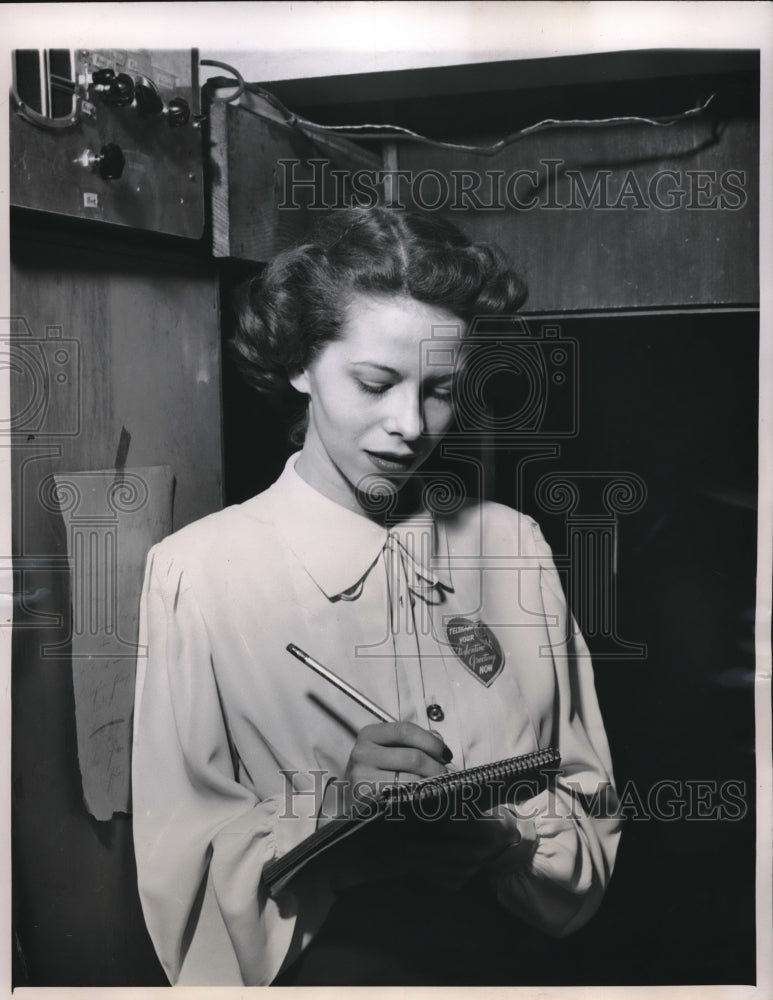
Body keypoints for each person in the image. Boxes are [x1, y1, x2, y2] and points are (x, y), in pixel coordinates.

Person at [131, 207, 620, 986]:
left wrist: (504, 835)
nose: (408, 426)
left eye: (437, 390)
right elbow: (178, 861)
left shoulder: (511, 545)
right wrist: (339, 819)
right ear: (300, 363)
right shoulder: (197, 571)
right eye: (375, 382)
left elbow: (589, 805)